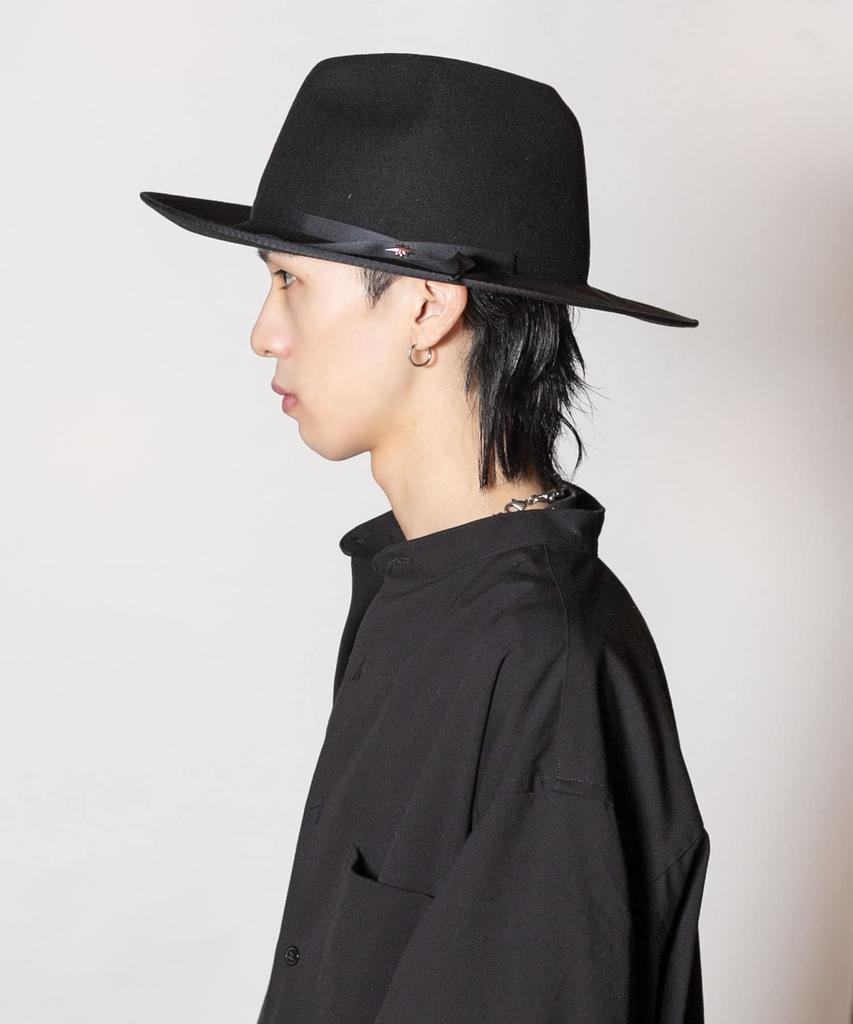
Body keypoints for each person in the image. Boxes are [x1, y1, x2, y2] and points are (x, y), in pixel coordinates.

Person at [140, 52, 710, 1024]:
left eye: (289, 281)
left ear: (425, 305)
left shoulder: (542, 662)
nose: (263, 332)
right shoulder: (418, 581)